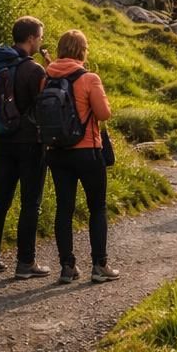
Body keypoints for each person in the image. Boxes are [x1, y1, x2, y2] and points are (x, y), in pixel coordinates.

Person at [42, 29, 119, 284]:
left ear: (62, 48)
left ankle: (67, 266)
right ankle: (99, 265)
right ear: (82, 50)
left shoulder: (47, 77)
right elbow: (104, 113)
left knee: (64, 208)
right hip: (87, 150)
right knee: (97, 207)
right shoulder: (89, 78)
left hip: (56, 151)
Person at [0, 16, 51, 278]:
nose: (40, 41)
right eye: (40, 37)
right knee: (30, 203)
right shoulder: (34, 70)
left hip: (3, 138)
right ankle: (25, 262)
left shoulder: (0, 65)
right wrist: (49, 73)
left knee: (0, 198)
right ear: (31, 38)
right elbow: (44, 105)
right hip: (30, 143)